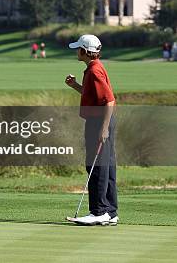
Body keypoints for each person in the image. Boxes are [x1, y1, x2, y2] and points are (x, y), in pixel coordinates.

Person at [65, 34, 118, 226]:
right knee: (107, 165)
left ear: (86, 52)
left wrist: (103, 128)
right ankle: (110, 212)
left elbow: (109, 101)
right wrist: (75, 86)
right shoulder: (94, 69)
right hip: (101, 120)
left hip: (99, 121)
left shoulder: (94, 71)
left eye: (78, 48)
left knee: (96, 166)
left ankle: (99, 211)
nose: (76, 51)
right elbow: (93, 95)